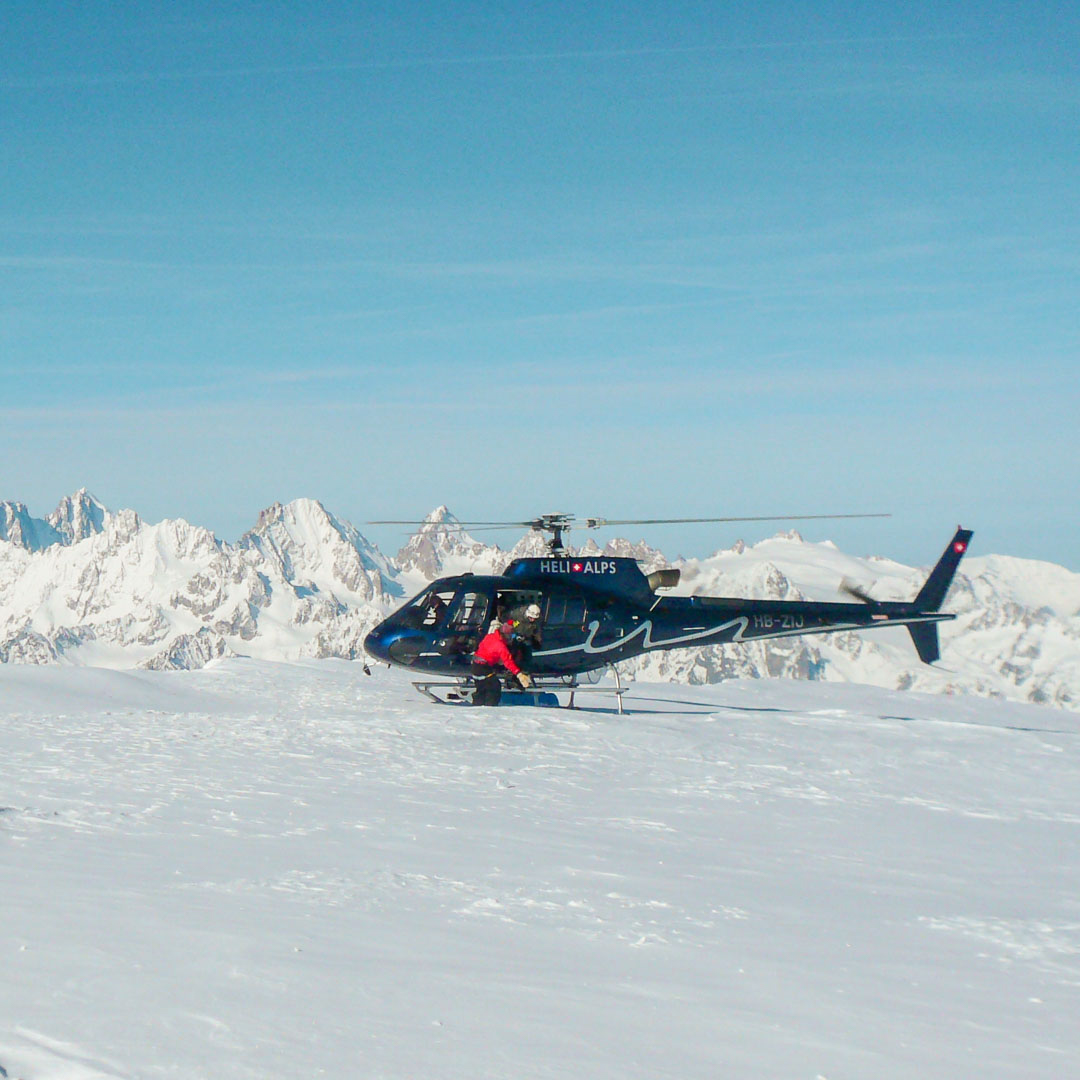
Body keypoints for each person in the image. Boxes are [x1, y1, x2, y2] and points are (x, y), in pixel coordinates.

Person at [472, 620, 532, 705]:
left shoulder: (489, 636)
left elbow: (483, 648)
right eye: (511, 636)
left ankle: (477, 706)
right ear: (506, 636)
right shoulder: (501, 647)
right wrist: (519, 674)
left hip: (475, 665)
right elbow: (508, 662)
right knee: (494, 686)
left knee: (481, 688)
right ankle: (489, 708)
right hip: (484, 668)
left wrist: (496, 659)